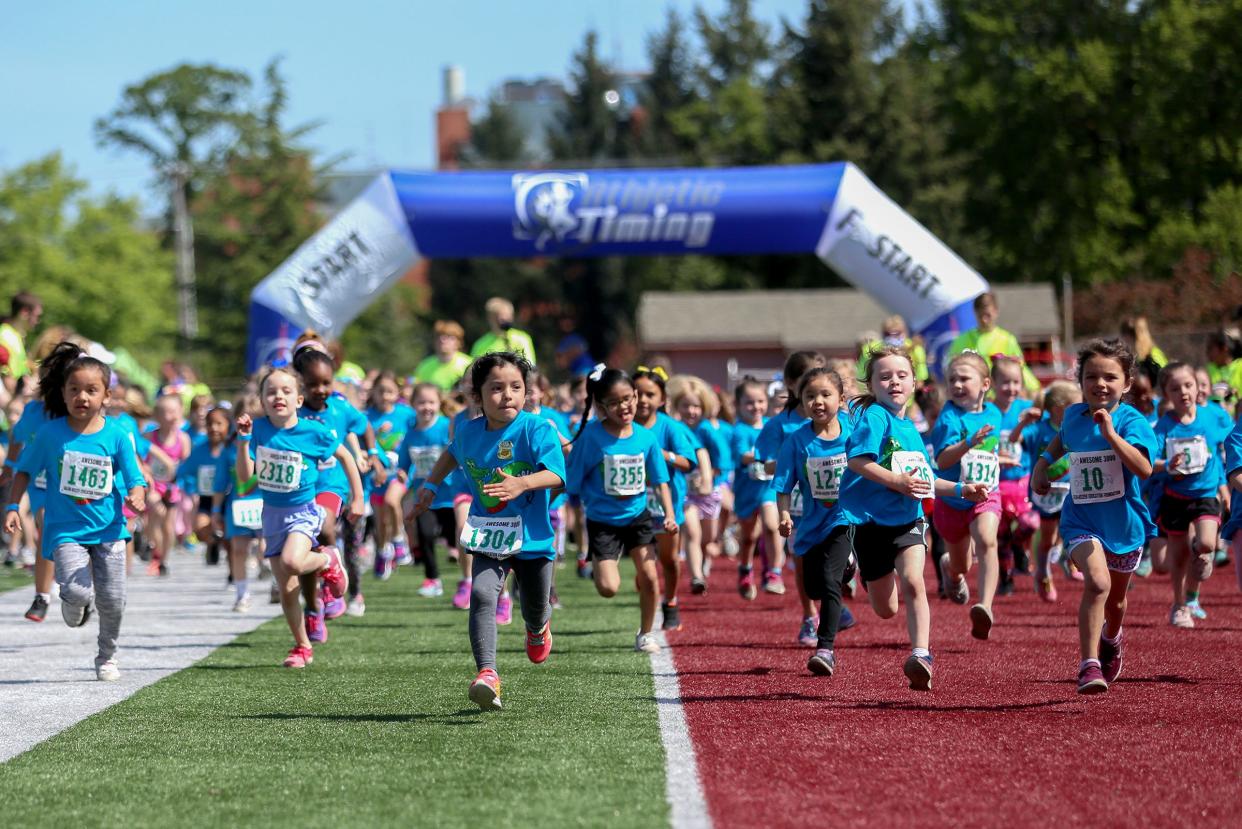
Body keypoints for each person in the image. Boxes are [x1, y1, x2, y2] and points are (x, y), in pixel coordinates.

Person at [413, 352, 566, 711]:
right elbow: (451, 454)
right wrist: (430, 486)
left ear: (527, 391)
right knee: (482, 595)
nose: (508, 395)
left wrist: (521, 484)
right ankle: (487, 673)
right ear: (477, 397)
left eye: (516, 387)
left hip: (532, 537)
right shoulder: (467, 430)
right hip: (489, 532)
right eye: (496, 388)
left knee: (534, 606)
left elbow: (557, 475)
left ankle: (538, 626)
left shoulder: (537, 429)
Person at [839, 344, 989, 691]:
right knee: (886, 609)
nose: (894, 381)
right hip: (870, 524)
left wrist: (961, 489)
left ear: (914, 382)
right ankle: (862, 570)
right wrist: (896, 481)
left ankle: (921, 655)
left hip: (908, 520)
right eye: (885, 376)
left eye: (901, 375)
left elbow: (925, 478)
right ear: (872, 384)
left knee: (915, 581)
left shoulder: (912, 430)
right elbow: (857, 462)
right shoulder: (876, 418)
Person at [5, 342, 146, 681]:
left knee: (113, 600)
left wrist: (137, 496)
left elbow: (134, 476)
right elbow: (23, 470)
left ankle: (107, 655)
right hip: (65, 530)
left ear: (106, 396)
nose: (82, 397)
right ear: (64, 395)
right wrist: (12, 505)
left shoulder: (117, 434)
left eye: (91, 390)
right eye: (75, 390)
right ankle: (71, 601)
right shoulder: (51, 435)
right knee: (78, 591)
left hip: (110, 529)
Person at [1031, 338, 1157, 694]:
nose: (1100, 384)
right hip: (1081, 520)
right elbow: (1061, 442)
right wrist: (1042, 466)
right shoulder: (1073, 415)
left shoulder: (1133, 420)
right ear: (1080, 381)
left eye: (1110, 377)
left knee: (1116, 602)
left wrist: (1111, 433)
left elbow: (1144, 468)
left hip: (1123, 523)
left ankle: (1112, 636)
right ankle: (1088, 665)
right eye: (1091, 377)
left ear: (1126, 383)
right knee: (1097, 584)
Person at [235, 367, 363, 669]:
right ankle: (302, 646)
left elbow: (345, 456)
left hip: (303, 513)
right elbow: (244, 478)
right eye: (271, 391)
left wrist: (357, 497)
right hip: (272, 517)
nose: (278, 396)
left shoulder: (312, 431)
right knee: (287, 588)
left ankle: (328, 560)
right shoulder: (259, 430)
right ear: (263, 400)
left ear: (299, 399)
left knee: (294, 562)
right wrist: (243, 441)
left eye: (286, 391)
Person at [565, 366, 676, 653]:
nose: (623, 407)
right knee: (608, 588)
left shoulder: (646, 438)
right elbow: (571, 479)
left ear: (636, 396)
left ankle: (646, 634)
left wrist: (670, 516)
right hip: (603, 521)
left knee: (650, 577)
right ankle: (606, 567)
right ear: (601, 407)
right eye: (613, 403)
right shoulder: (591, 438)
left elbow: (661, 480)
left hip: (638, 516)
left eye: (627, 398)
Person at [774, 368, 855, 677]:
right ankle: (842, 596)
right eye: (810, 396)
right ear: (801, 401)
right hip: (810, 525)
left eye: (825, 395)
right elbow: (782, 485)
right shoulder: (797, 442)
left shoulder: (853, 432)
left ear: (841, 399)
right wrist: (783, 514)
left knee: (831, 581)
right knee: (814, 588)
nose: (818, 401)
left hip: (844, 518)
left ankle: (825, 649)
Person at [295, 341, 372, 635]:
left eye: (326, 382)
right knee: (302, 553)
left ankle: (331, 571)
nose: (321, 389)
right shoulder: (294, 414)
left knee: (324, 524)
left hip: (330, 484)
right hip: (299, 489)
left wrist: (372, 455)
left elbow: (363, 425)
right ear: (300, 383)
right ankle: (313, 609)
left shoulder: (339, 408)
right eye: (312, 384)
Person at [930, 351, 1005, 640]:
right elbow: (945, 461)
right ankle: (951, 568)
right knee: (961, 562)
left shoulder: (994, 413)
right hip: (952, 500)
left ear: (985, 384)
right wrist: (968, 443)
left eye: (964, 378)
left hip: (986, 493)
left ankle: (984, 606)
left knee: (987, 540)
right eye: (952, 380)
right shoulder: (949, 418)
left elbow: (990, 452)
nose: (957, 385)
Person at [1152, 362, 1233, 627]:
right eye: (1175, 388)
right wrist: (1166, 465)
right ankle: (1180, 606)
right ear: (1166, 394)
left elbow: (1232, 437)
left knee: (1208, 543)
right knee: (1177, 558)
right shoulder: (1163, 426)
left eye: (1188, 385)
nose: (1183, 392)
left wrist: (1224, 484)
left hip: (1206, 493)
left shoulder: (1212, 417)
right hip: (1175, 496)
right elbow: (1148, 462)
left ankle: (1201, 550)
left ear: (1198, 387)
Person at [632, 366, 700, 632]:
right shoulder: (624, 428)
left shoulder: (670, 427)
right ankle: (648, 595)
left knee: (669, 561)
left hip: (666, 506)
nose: (644, 400)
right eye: (638, 394)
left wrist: (662, 455)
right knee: (644, 568)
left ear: (661, 400)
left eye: (650, 394)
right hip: (634, 506)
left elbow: (688, 462)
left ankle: (670, 601)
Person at [393, 382, 458, 598]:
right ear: (413, 405)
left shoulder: (446, 427)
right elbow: (403, 463)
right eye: (421, 402)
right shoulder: (411, 434)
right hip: (425, 497)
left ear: (440, 403)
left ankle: (469, 578)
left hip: (449, 494)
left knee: (456, 536)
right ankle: (432, 579)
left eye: (431, 402)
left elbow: (456, 456)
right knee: (426, 534)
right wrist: (402, 473)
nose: (426, 407)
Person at [991, 355, 1043, 595]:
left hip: (1021, 480)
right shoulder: (987, 410)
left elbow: (1035, 437)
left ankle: (1019, 544)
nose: (1010, 388)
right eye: (1004, 382)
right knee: (999, 535)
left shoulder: (1025, 408)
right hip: (996, 483)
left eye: (1015, 382)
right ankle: (1006, 578)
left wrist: (1032, 419)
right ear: (991, 383)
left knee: (1030, 522)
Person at [1025, 381, 1082, 602]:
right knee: (1048, 538)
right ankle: (1043, 572)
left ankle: (1070, 561)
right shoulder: (1040, 429)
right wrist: (1023, 425)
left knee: (1074, 531)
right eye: (1076, 406)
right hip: (1047, 492)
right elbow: (1014, 440)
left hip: (1072, 488)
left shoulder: (1076, 428)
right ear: (1060, 408)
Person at [730, 377, 780, 601]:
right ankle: (745, 568)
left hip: (768, 487)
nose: (756, 407)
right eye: (749, 403)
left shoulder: (772, 425)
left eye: (760, 401)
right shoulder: (739, 430)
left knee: (771, 526)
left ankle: (773, 573)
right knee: (749, 537)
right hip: (746, 490)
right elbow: (743, 455)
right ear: (738, 405)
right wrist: (766, 458)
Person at [945, 292, 1040, 395]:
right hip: (972, 397)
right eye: (980, 315)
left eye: (988, 315)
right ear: (975, 313)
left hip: (1000, 398)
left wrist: (1033, 389)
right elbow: (951, 369)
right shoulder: (961, 340)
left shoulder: (1007, 339)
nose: (984, 320)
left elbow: (1020, 370)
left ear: (996, 312)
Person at [857, 316, 929, 384]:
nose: (892, 337)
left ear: (905, 333)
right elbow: (861, 375)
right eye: (888, 334)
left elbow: (920, 379)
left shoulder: (916, 349)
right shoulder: (869, 349)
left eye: (897, 333)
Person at [469, 297, 537, 365]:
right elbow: (473, 370)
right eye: (497, 315)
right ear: (489, 318)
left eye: (506, 315)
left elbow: (530, 365)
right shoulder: (480, 344)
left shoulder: (522, 339)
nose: (503, 319)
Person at [0, 291, 42, 394]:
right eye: (37, 316)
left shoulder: (16, 336)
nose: (37, 321)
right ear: (24, 312)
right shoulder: (5, 336)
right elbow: (6, 375)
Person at [414, 320, 473, 392]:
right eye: (439, 336)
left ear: (459, 342)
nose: (442, 340)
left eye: (448, 336)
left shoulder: (469, 365)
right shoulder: (423, 367)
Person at [1119, 317, 1168, 387]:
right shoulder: (1135, 356)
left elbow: (1164, 378)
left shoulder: (1151, 356)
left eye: (1123, 336)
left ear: (1127, 336)